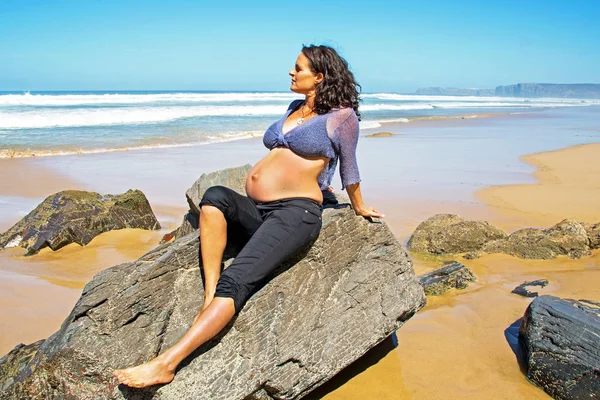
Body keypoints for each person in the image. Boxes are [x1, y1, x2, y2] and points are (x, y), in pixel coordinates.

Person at [113, 44, 383, 388]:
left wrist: (358, 206)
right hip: (260, 210)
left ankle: (166, 364)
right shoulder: (294, 107)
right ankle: (210, 296)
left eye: (298, 68)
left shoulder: (342, 117)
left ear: (319, 76)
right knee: (214, 198)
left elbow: (350, 166)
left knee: (237, 281)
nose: (291, 72)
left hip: (295, 213)